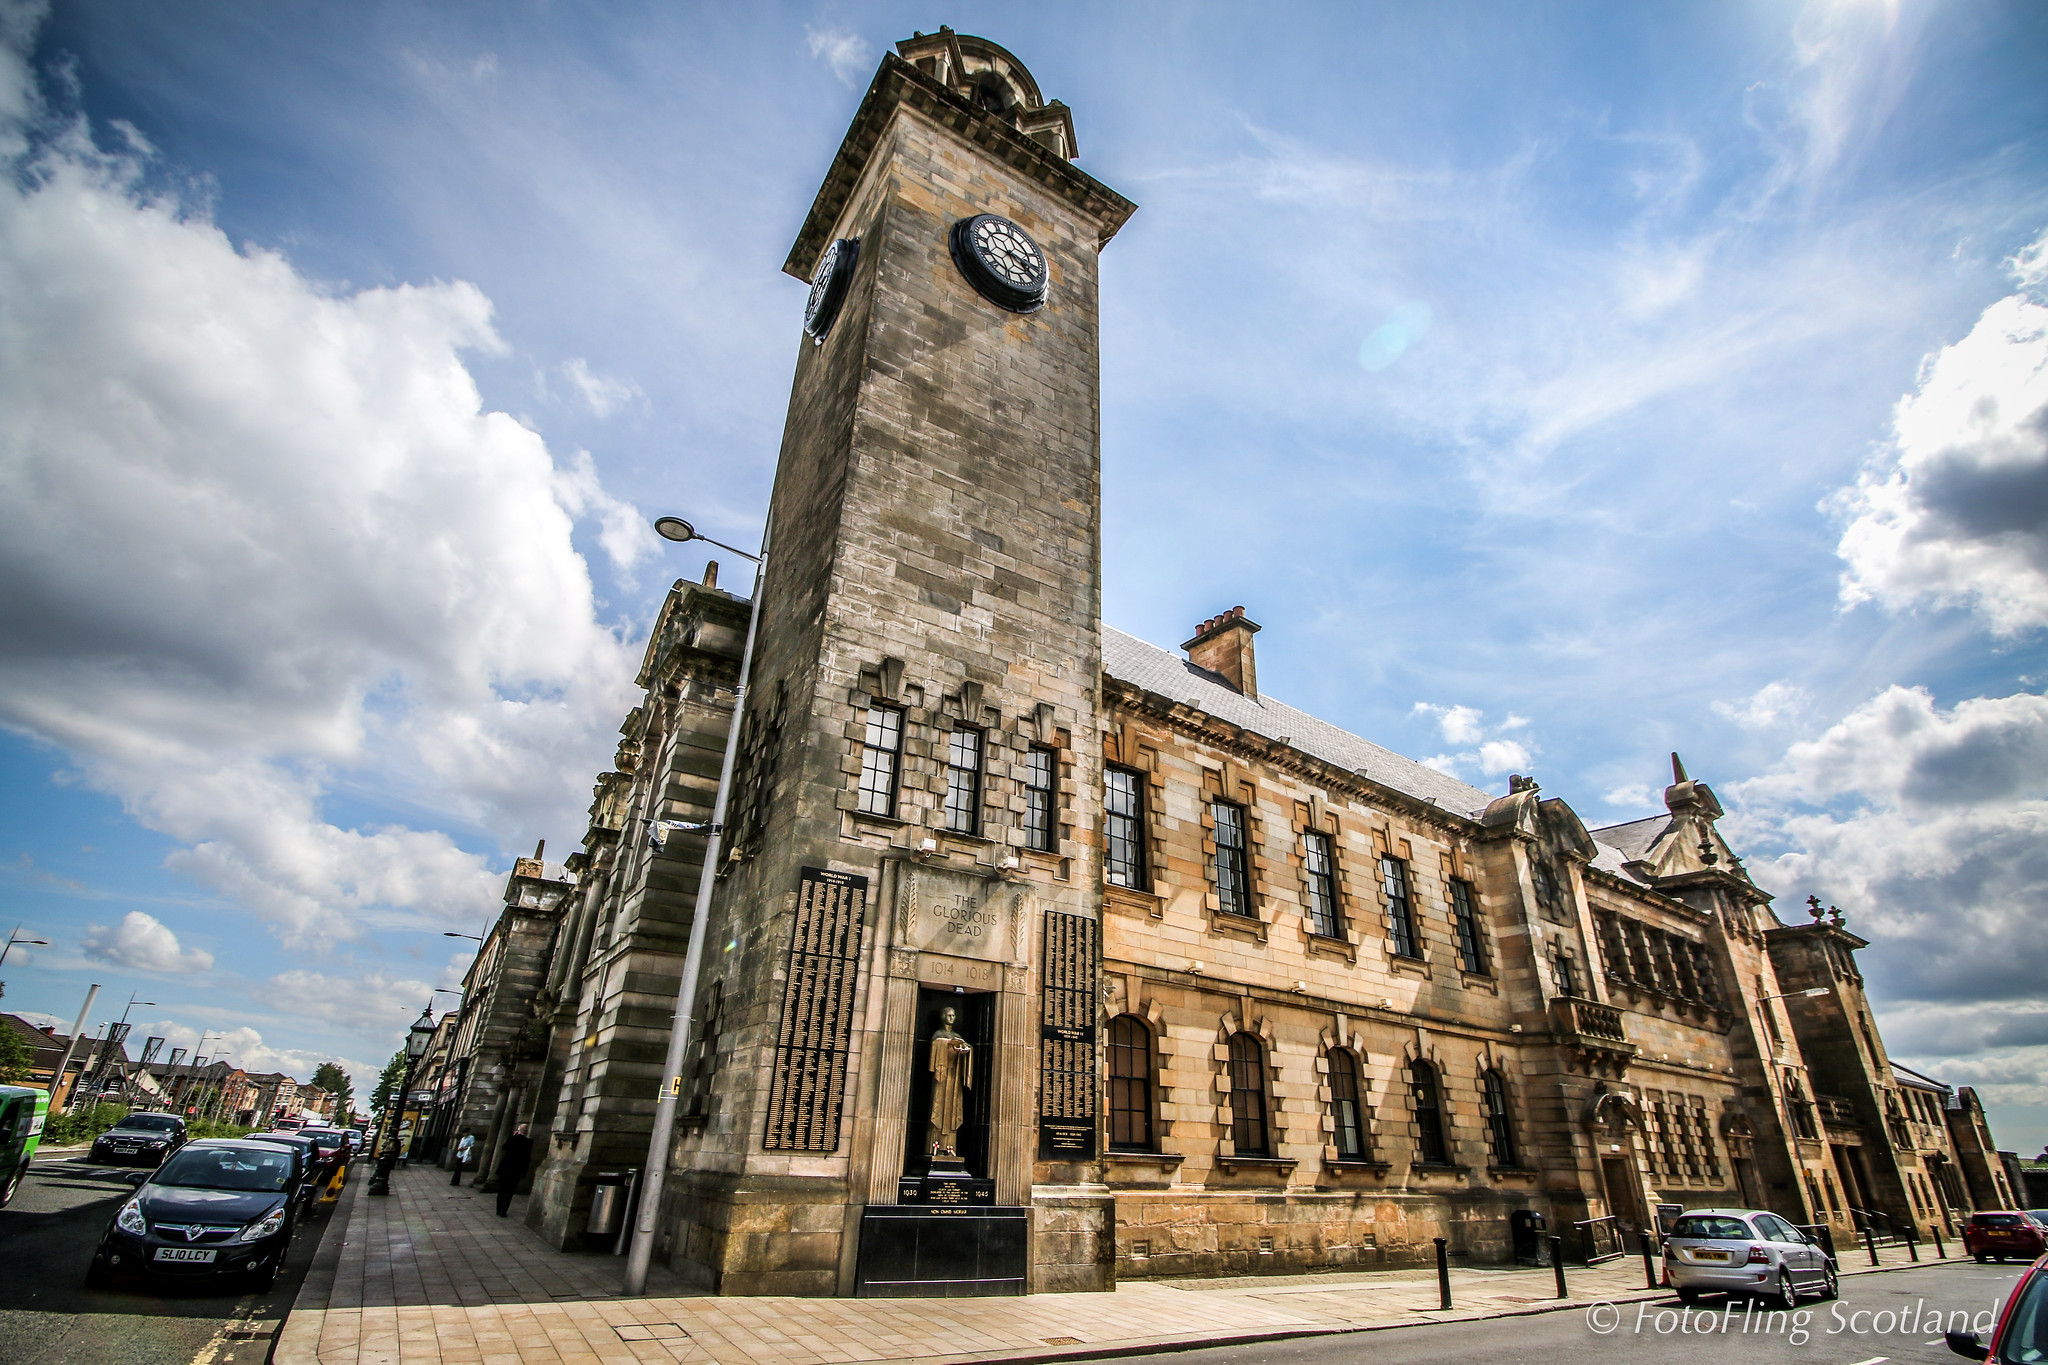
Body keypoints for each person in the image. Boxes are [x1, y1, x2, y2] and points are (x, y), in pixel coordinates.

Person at [494, 1123, 532, 1217]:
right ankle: (504, 1211)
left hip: (506, 1168)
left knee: (502, 1189)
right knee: (510, 1191)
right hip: (517, 1170)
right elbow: (527, 1157)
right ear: (526, 1132)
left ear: (518, 1130)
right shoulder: (529, 1142)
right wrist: (524, 1171)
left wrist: (514, 1136)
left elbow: (504, 1147)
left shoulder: (512, 1138)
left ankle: (498, 1209)